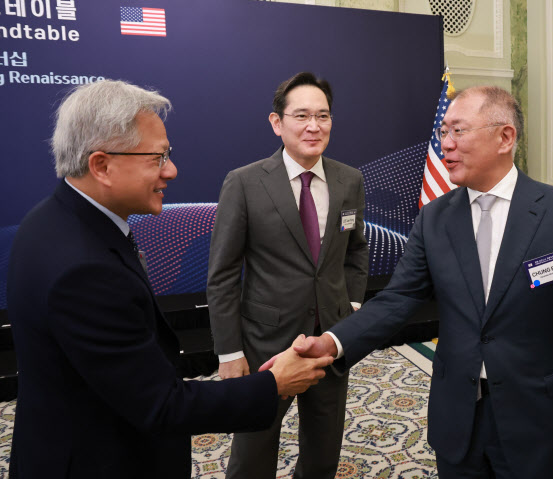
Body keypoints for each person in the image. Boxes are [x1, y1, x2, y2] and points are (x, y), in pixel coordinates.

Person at [277, 86, 553, 478]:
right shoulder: (434, 218)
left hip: (539, 420)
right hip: (458, 419)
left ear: (505, 137)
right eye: (443, 132)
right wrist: (332, 342)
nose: (446, 145)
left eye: (459, 131)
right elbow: (397, 299)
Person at [7, 79, 333, 479]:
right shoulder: (84, 270)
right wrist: (273, 384)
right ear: (102, 166)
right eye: (157, 158)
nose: (172, 170)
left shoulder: (49, 220)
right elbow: (161, 405)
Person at [206, 71, 368, 479]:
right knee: (253, 452)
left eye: (323, 116)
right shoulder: (244, 183)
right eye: (302, 116)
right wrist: (229, 352)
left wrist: (350, 305)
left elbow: (356, 249)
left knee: (324, 450)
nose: (314, 126)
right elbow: (223, 274)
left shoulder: (349, 180)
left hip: (330, 339)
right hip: (265, 344)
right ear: (277, 123)